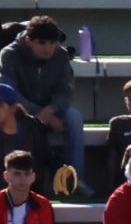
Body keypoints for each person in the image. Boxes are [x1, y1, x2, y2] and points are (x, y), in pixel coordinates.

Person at [0, 18, 86, 191]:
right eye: (41, 43)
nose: (48, 48)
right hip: (21, 110)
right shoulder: (9, 54)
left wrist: (49, 111)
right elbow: (11, 92)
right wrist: (38, 114)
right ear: (28, 40)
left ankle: (75, 180)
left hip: (52, 109)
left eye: (52, 42)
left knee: (75, 118)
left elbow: (66, 91)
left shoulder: (61, 55)